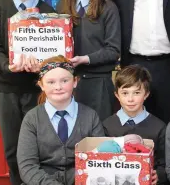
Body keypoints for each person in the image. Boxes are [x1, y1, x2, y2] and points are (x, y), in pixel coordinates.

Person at [0, 0, 54, 185]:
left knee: (39, 144)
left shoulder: (48, 12)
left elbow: (54, 53)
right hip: (6, 87)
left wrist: (43, 65)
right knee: (12, 147)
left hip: (36, 89)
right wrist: (9, 65)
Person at [17, 55, 104, 184]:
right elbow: (27, 167)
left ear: (75, 82)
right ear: (41, 85)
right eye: (51, 82)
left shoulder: (90, 116)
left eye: (64, 81)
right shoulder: (32, 119)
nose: (58, 87)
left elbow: (99, 160)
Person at [56, 0, 121, 121]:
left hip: (99, 84)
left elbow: (113, 50)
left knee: (97, 140)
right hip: (67, 83)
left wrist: (86, 59)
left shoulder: (108, 8)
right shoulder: (61, 6)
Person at [103, 65, 166, 185]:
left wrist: (159, 174)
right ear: (117, 95)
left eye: (136, 93)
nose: (130, 99)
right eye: (125, 93)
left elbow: (165, 163)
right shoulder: (107, 126)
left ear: (146, 94)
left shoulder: (159, 127)